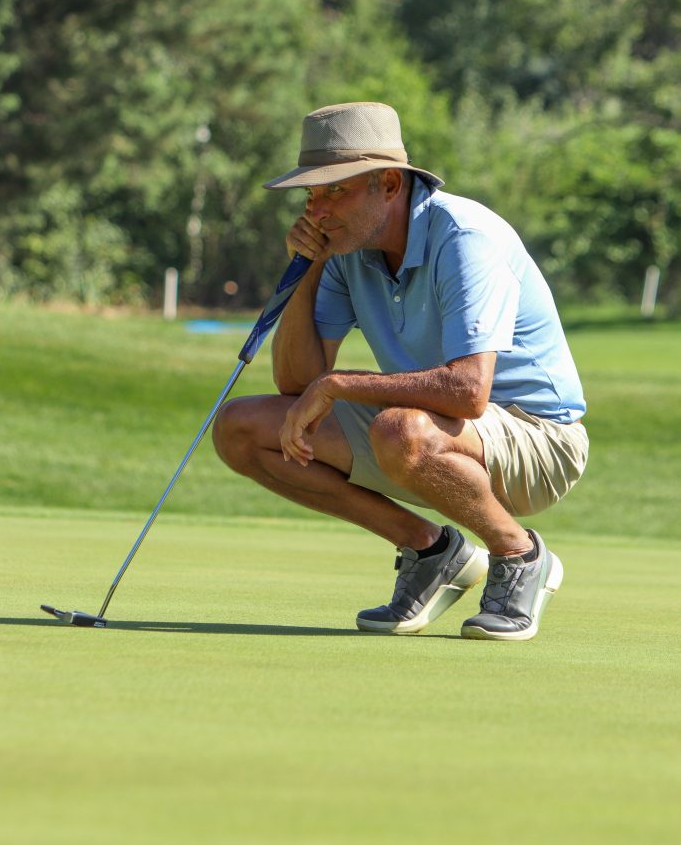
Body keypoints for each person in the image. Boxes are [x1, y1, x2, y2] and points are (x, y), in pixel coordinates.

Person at [213, 101, 588, 641]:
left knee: (399, 428)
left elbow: (468, 391)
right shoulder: (346, 250)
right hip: (429, 428)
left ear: (389, 185)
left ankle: (520, 554)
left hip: (540, 440)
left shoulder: (465, 237)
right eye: (311, 195)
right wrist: (306, 268)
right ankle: (431, 551)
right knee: (241, 429)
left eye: (335, 190)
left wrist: (339, 383)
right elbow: (297, 387)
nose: (317, 211)